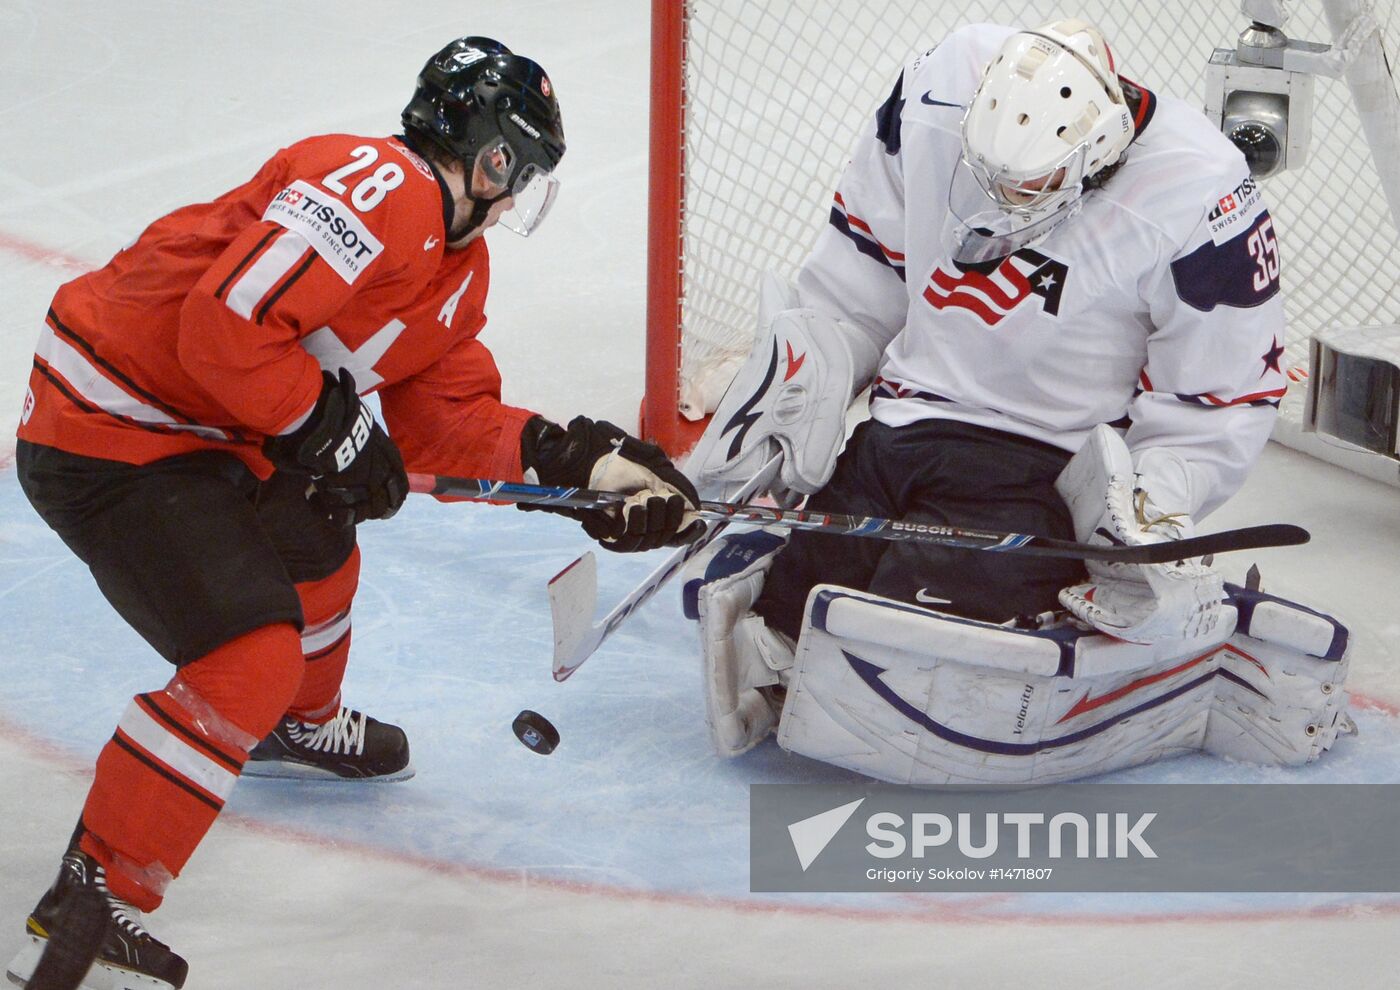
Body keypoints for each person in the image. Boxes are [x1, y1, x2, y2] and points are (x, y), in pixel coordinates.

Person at [6, 36, 701, 990]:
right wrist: (326, 428)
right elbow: (226, 327)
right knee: (246, 658)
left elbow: (439, 422)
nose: (514, 196)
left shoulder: (458, 270)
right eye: (517, 168)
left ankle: (297, 724)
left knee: (320, 534)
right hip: (112, 426)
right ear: (489, 150)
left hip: (210, 431)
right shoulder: (374, 181)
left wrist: (578, 466)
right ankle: (86, 907)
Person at [682, 20, 1353, 785]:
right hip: (895, 436)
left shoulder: (1202, 192)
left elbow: (1219, 403)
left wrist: (1144, 505)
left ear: (1096, 160)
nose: (999, 198)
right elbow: (862, 269)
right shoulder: (938, 86)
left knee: (904, 647)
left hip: (1037, 477)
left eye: (1027, 186)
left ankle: (1178, 654)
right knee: (779, 618)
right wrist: (801, 385)